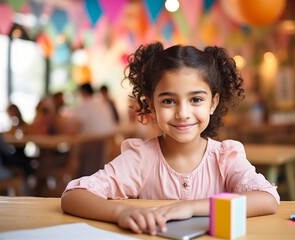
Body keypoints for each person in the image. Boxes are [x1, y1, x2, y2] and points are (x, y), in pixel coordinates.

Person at [61, 42, 279, 235]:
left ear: (212, 103)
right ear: (151, 104)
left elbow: (267, 199)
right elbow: (73, 196)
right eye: (168, 101)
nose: (182, 113)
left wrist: (192, 207)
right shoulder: (141, 159)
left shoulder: (224, 158)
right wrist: (122, 212)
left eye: (195, 99)